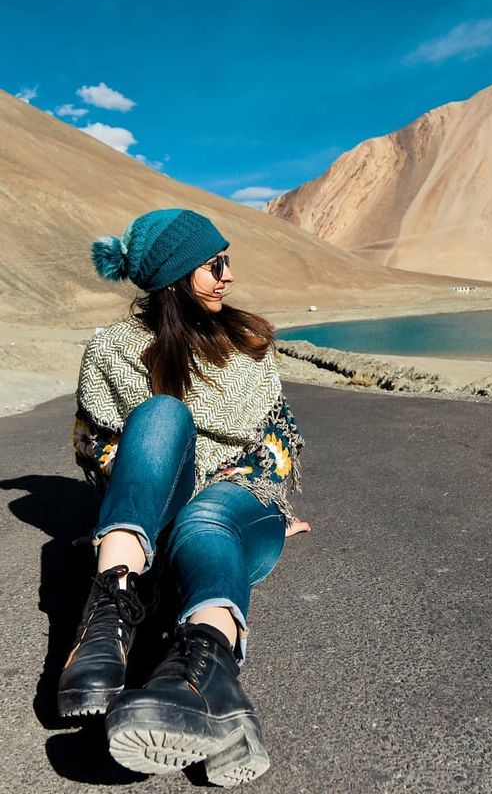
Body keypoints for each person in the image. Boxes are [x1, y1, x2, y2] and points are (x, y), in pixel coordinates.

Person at [57, 208, 308, 786]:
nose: (228, 275)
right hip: (156, 512)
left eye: (227, 260)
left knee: (208, 515)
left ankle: (200, 664)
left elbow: (278, 442)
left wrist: (270, 513)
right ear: (172, 277)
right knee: (162, 414)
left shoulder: (250, 342)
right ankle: (115, 622)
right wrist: (123, 515)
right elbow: (97, 448)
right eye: (212, 264)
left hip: (238, 498)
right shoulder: (113, 352)